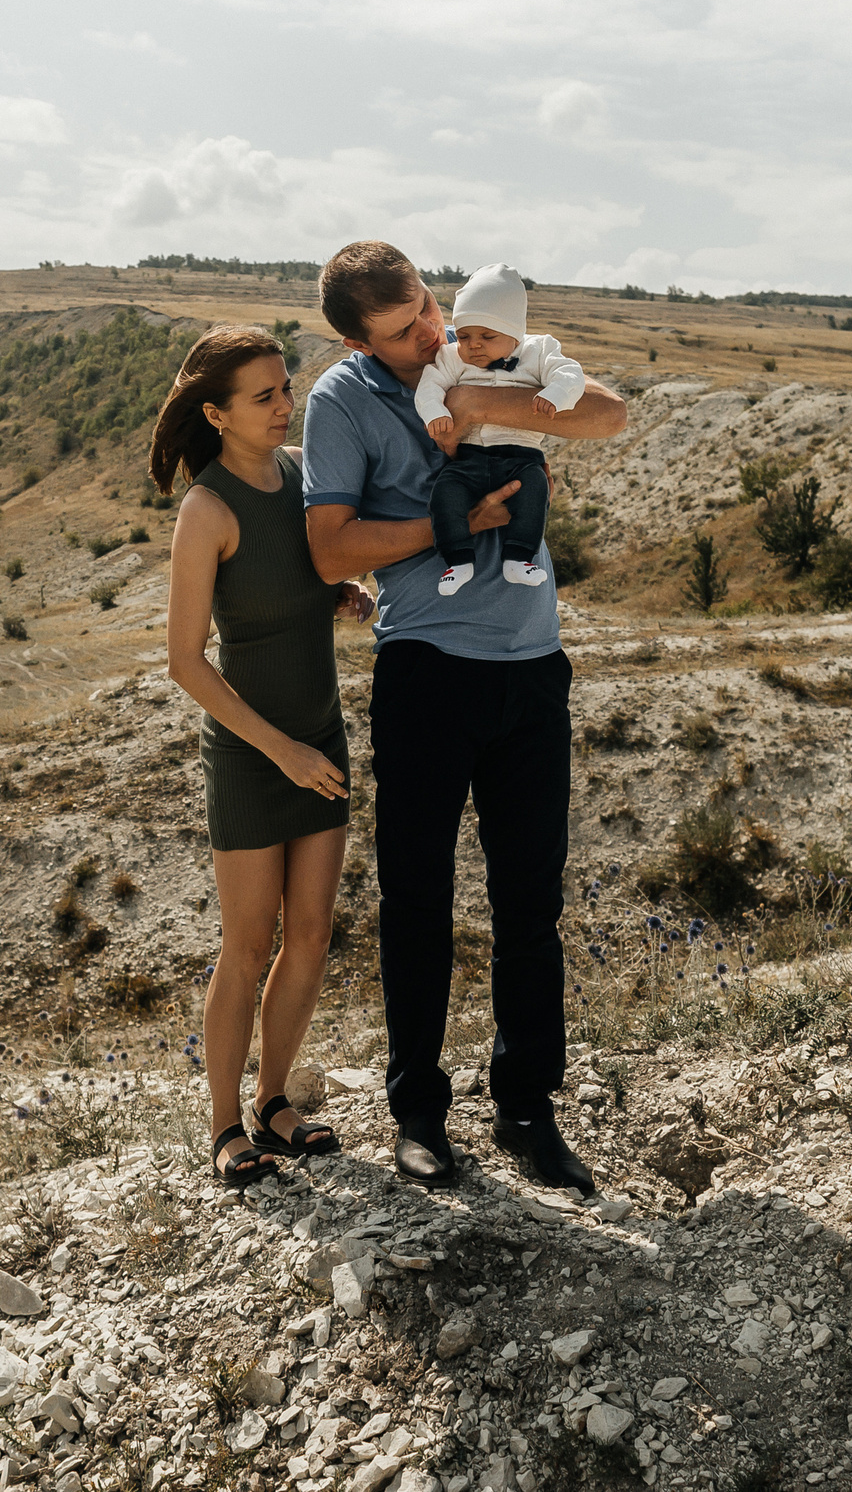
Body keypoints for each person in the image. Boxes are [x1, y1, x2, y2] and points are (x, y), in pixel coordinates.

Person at [298, 241, 627, 1194]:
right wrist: (459, 525)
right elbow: (330, 551)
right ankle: (418, 1114)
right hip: (426, 670)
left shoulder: (486, 357)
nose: (430, 332)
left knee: (531, 904)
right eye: (404, 331)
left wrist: (483, 401)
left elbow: (608, 414)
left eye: (428, 309)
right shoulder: (341, 400)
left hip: (534, 668)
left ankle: (527, 1109)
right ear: (358, 341)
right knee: (417, 900)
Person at [155, 324, 376, 1189]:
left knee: (312, 935)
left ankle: (273, 1102)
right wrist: (279, 749)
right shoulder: (206, 511)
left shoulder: (302, 477)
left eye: (287, 388)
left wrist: (338, 594)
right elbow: (185, 661)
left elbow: (297, 579)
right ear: (216, 413)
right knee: (247, 944)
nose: (288, 405)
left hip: (320, 738)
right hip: (255, 754)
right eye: (266, 396)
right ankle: (223, 1124)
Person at [414, 262, 587, 595]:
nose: (474, 345)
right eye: (464, 336)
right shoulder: (451, 358)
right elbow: (430, 385)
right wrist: (435, 411)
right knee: (445, 493)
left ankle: (519, 559)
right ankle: (457, 561)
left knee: (536, 490)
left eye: (487, 336)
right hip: (469, 458)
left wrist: (556, 394)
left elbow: (570, 374)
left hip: (521, 458)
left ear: (515, 331)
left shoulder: (539, 351)